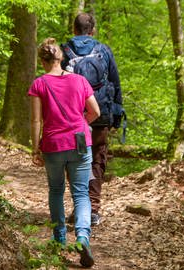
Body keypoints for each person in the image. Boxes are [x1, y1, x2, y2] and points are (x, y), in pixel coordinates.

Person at [28, 37, 100, 268]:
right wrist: (81, 122)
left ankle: (59, 238)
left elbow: (36, 119)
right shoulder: (80, 81)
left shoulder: (39, 84)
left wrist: (35, 147)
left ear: (42, 61)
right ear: (61, 57)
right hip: (79, 142)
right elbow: (95, 112)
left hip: (53, 143)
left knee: (56, 190)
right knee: (80, 193)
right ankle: (82, 237)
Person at [61, 13, 123, 226]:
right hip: (100, 113)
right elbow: (115, 83)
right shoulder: (104, 50)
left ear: (73, 29)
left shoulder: (64, 51)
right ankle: (93, 209)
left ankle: (80, 208)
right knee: (97, 158)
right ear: (93, 30)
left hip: (73, 115)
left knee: (73, 159)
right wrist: (116, 115)